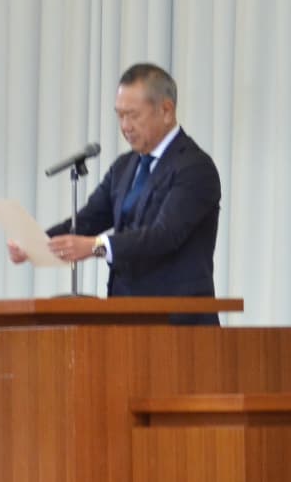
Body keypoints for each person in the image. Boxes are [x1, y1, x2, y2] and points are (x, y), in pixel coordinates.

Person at [20, 63, 223, 324]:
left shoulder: (194, 167)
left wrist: (95, 247)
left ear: (166, 110)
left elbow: (164, 235)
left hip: (178, 322)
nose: (125, 126)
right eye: (120, 116)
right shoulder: (125, 167)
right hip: (124, 317)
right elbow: (89, 219)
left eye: (133, 115)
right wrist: (36, 242)